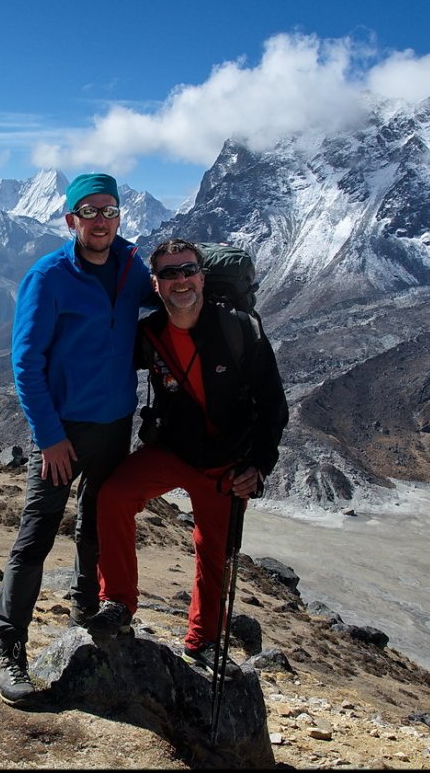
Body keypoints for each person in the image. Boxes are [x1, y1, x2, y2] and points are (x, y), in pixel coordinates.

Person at [86, 238, 289, 672]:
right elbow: (102, 360)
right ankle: (117, 602)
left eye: (188, 270)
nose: (180, 280)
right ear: (155, 285)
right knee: (114, 495)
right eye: (168, 274)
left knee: (214, 552)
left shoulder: (239, 330)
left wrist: (258, 466)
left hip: (226, 463)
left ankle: (202, 642)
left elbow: (273, 405)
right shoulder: (150, 334)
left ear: (202, 276)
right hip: (173, 451)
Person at [0, 172, 157, 706]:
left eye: (109, 210)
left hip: (114, 426)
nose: (102, 221)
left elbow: (170, 295)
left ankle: (86, 614)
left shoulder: (132, 269)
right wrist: (49, 438)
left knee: (98, 524)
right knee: (36, 536)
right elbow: (26, 363)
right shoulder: (49, 276)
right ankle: (9, 649)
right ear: (71, 221)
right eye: (90, 212)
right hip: (62, 433)